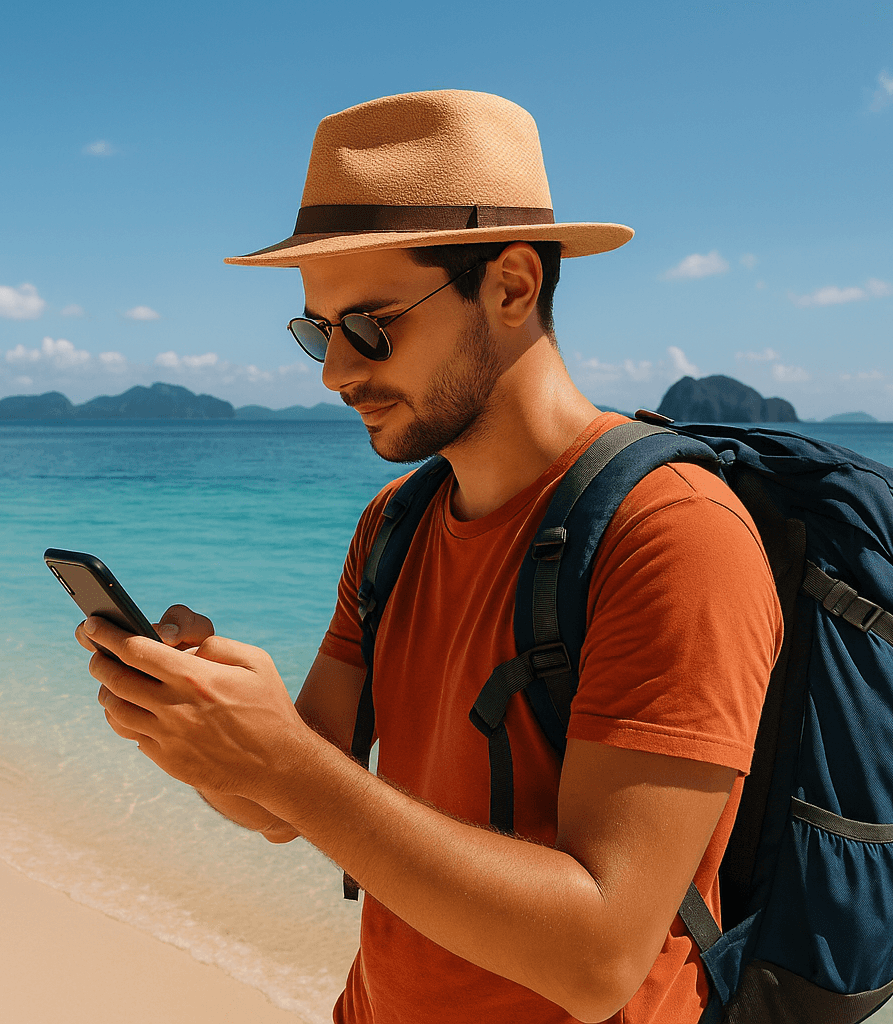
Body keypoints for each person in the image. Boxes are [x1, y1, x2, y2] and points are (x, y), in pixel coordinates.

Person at [75, 90, 781, 1024]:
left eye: (370, 325)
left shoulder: (677, 536)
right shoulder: (393, 526)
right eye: (316, 332)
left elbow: (600, 957)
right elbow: (292, 808)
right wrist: (206, 739)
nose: (335, 372)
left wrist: (283, 762)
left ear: (513, 285)